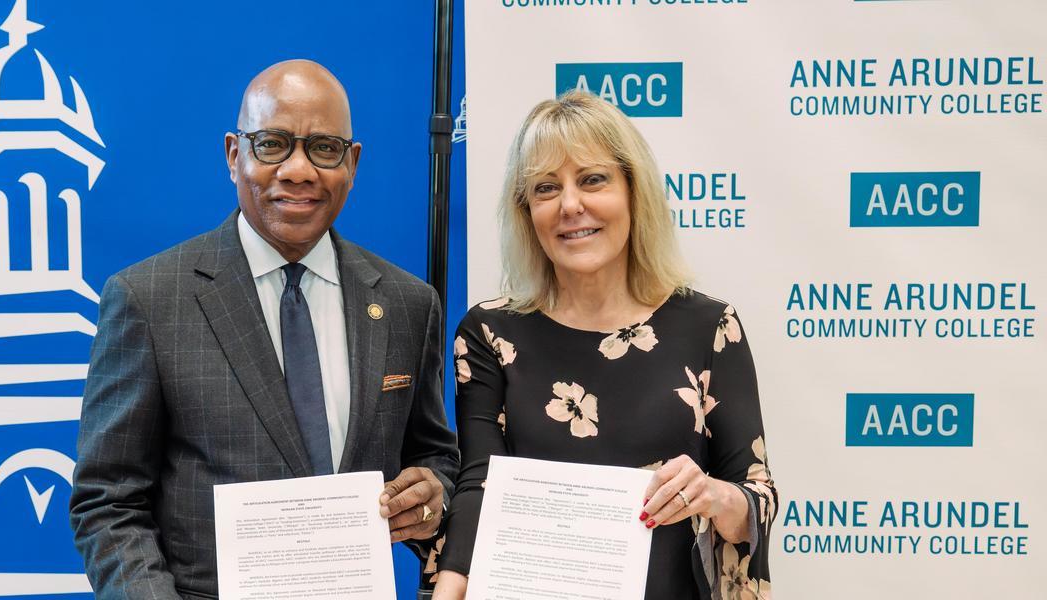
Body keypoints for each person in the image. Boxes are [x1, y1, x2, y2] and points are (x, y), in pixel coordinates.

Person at [70, 60, 459, 599]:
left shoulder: (407, 304)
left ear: (353, 163)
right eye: (272, 143)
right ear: (235, 155)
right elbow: (108, 501)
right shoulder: (149, 299)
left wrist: (434, 492)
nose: (299, 170)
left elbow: (434, 455)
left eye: (324, 148)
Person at [431, 90, 777, 599]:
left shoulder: (710, 326)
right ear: (527, 212)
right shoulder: (488, 333)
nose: (571, 205)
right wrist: (449, 590)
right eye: (547, 188)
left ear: (633, 192)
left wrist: (710, 495)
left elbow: (757, 502)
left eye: (593, 179)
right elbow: (479, 486)